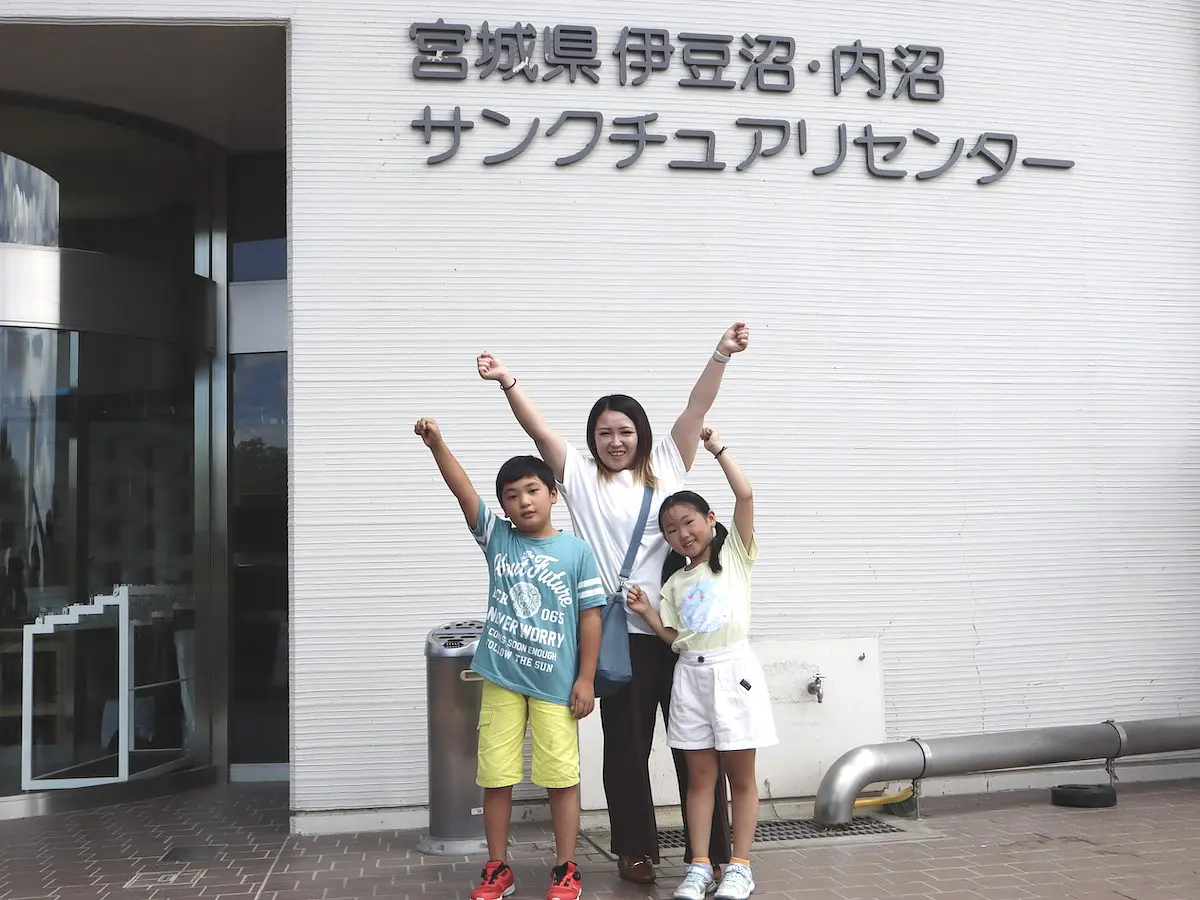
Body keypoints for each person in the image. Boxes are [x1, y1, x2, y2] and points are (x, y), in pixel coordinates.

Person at [476, 323, 750, 883]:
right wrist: (507, 382)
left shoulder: (671, 461)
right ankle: (636, 851)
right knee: (626, 750)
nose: (615, 441)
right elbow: (537, 429)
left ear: (641, 434)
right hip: (620, 636)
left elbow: (698, 407)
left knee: (699, 747)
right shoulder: (576, 475)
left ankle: (717, 854)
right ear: (593, 439)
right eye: (605, 433)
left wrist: (721, 353)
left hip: (678, 633)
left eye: (625, 431)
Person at [415, 417, 605, 900]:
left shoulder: (577, 552)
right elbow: (463, 493)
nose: (523, 501)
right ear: (503, 506)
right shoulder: (498, 539)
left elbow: (590, 619)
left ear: (552, 494)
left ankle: (566, 868)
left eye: (532, 490)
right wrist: (439, 443)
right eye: (512, 495)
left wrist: (586, 680)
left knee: (561, 778)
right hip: (500, 677)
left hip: (557, 685)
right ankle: (497, 867)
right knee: (496, 776)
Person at [627, 426, 777, 900]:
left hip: (734, 672)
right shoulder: (673, 583)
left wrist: (718, 450)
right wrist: (648, 612)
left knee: (740, 778)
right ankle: (698, 866)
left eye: (688, 522)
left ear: (710, 519)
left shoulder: (735, 556)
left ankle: (740, 865)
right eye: (671, 530)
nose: (682, 534)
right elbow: (675, 638)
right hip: (689, 675)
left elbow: (746, 492)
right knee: (699, 779)